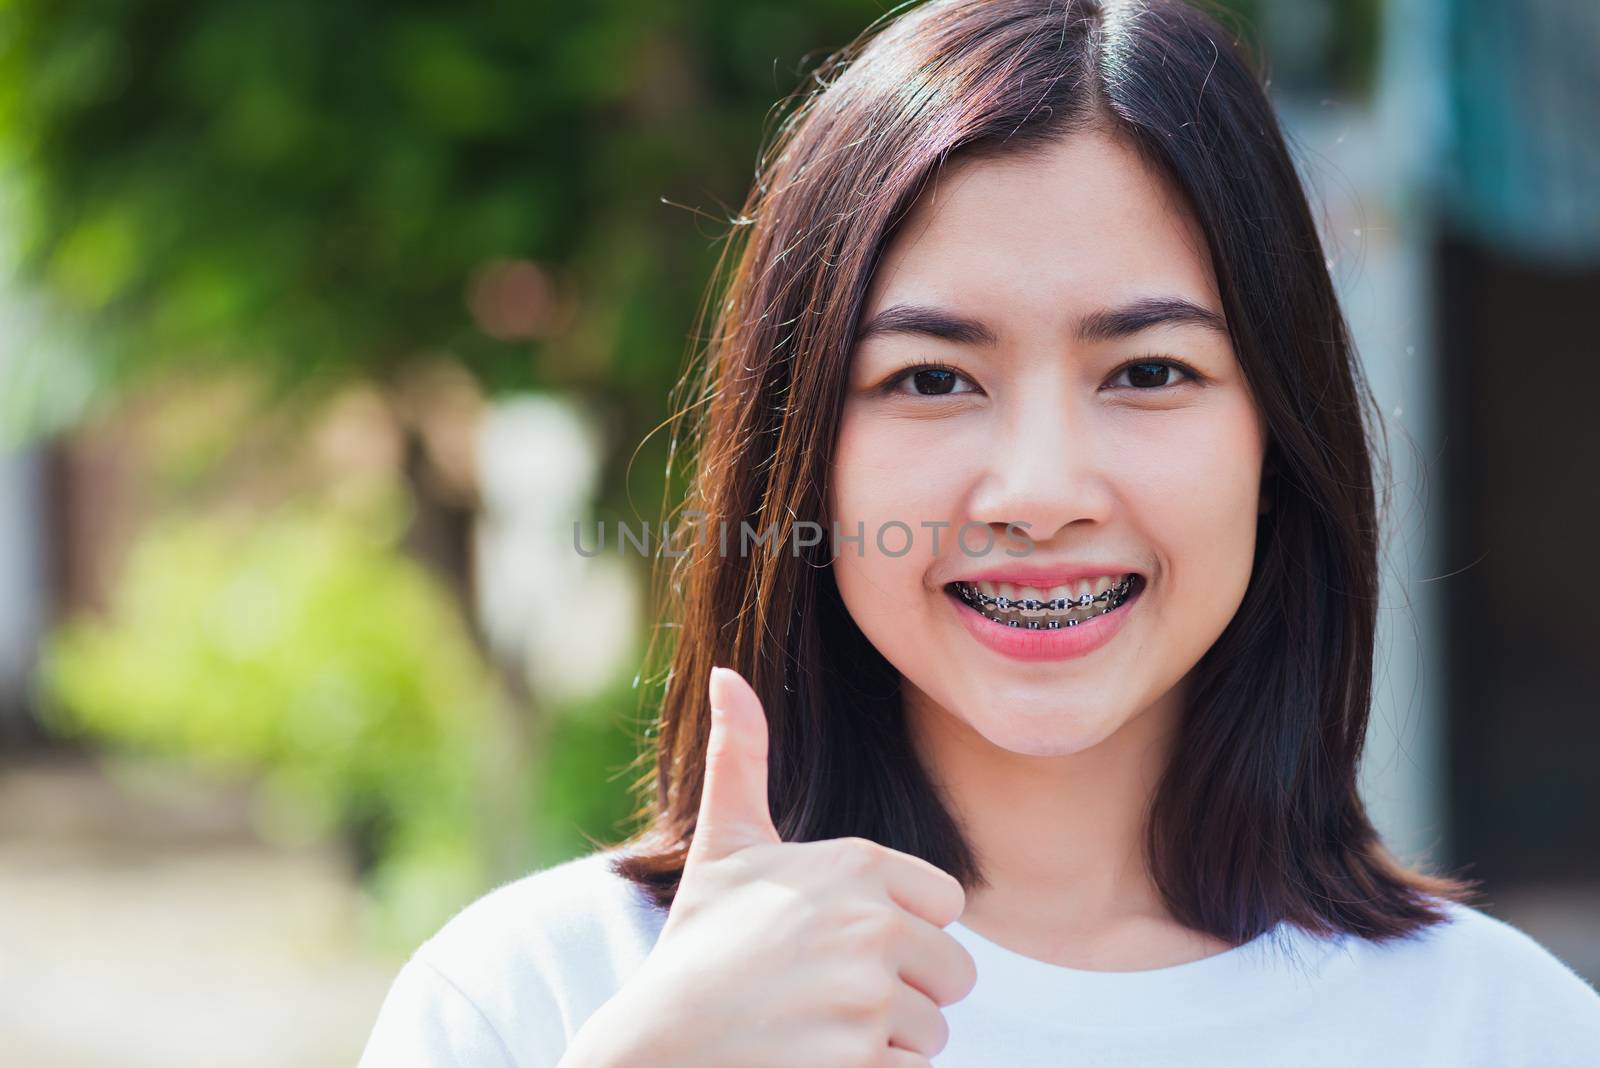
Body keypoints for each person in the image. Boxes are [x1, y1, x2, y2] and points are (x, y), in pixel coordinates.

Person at [357, 0, 1600, 1064]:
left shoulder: (1495, 1031)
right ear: (802, 460)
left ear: (1276, 441)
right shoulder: (547, 999)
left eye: (1150, 372)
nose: (1039, 489)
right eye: (932, 380)